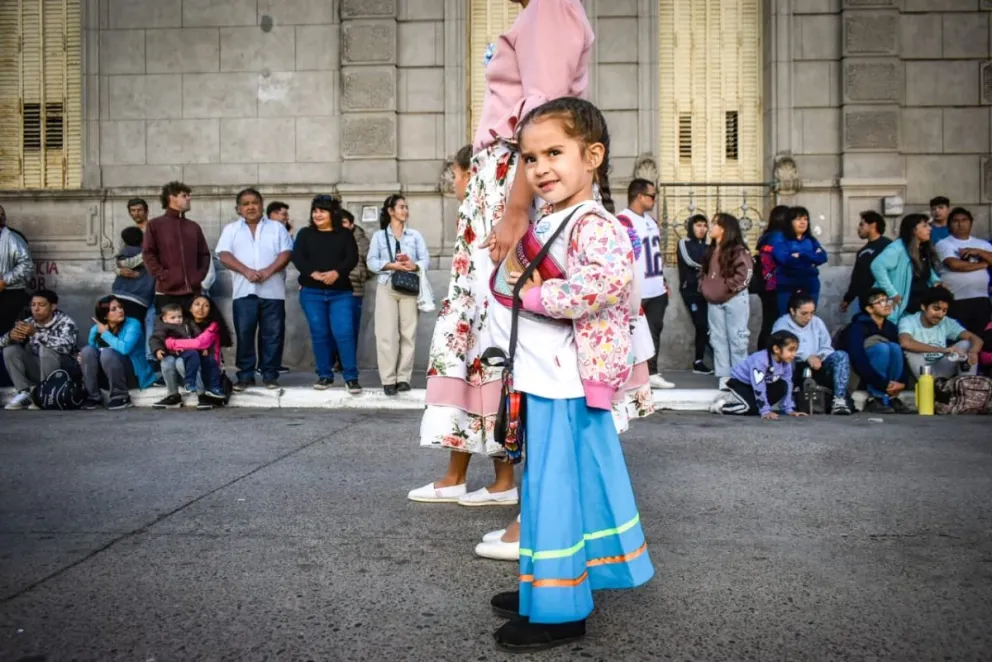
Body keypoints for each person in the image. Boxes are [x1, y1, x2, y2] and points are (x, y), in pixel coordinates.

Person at [417, 0, 594, 524]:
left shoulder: (550, 7)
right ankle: (520, 501)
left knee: (518, 330)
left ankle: (535, 515)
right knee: (490, 327)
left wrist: (517, 208)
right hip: (499, 182)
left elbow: (547, 120)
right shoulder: (540, 11)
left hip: (514, 185)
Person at [486, 97, 652, 652]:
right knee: (543, 486)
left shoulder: (593, 222)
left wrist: (533, 294)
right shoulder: (555, 217)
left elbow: (607, 279)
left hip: (567, 379)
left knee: (556, 488)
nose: (540, 169)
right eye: (531, 159)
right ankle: (545, 585)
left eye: (554, 152)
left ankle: (561, 608)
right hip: (547, 375)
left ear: (594, 156)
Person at [216, 188, 293, 392]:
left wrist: (268, 271)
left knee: (273, 334)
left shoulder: (277, 228)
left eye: (255, 202)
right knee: (245, 333)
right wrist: (247, 271)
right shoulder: (231, 229)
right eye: (246, 203)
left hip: (273, 291)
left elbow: (286, 253)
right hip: (244, 292)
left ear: (261, 204)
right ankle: (245, 375)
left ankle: (269, 375)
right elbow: (223, 255)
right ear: (238, 209)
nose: (251, 207)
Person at [292, 195, 362, 394]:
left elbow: (352, 257)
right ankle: (325, 376)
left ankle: (351, 377)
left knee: (344, 333)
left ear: (333, 214)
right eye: (315, 210)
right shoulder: (305, 234)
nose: (318, 214)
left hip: (340, 292)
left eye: (322, 210)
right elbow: (297, 256)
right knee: (320, 334)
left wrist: (336, 273)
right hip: (312, 292)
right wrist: (312, 273)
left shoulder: (344, 235)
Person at [367, 194, 429, 396]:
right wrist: (390, 265)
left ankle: (403, 378)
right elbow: (371, 261)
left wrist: (413, 265)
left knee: (408, 333)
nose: (405, 211)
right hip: (387, 285)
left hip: (409, 286)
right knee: (386, 334)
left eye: (406, 207)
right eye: (401, 207)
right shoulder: (379, 236)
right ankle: (388, 379)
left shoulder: (415, 235)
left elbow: (425, 259)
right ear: (391, 211)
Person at [618, 179, 674, 388]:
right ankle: (630, 375)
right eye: (651, 195)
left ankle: (652, 373)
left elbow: (656, 255)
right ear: (639, 196)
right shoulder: (623, 221)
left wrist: (663, 280)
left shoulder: (651, 221)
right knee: (632, 333)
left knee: (654, 331)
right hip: (636, 289)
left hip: (656, 287)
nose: (654, 199)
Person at [772, 293, 852, 415]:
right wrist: (806, 357)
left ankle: (839, 400)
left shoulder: (817, 322)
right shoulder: (782, 324)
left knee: (841, 356)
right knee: (786, 361)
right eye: (804, 313)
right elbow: (781, 349)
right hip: (795, 364)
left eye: (812, 313)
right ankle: (787, 400)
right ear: (792, 311)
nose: (809, 318)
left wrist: (818, 357)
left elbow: (826, 346)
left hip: (818, 363)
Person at [1, 289, 79, 410]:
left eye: (41, 305)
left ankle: (44, 394)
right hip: (38, 368)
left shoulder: (66, 323)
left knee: (46, 350)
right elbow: (1, 343)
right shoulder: (28, 322)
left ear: (53, 307)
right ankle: (24, 392)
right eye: (33, 305)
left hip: (62, 372)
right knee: (10, 350)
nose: (36, 309)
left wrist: (36, 333)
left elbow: (66, 347)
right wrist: (10, 336)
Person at [701, 213, 754, 390]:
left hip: (735, 300)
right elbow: (703, 272)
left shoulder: (738, 251)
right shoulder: (710, 251)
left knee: (738, 339)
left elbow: (745, 274)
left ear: (725, 229)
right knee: (718, 339)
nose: (711, 227)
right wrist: (706, 287)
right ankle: (724, 376)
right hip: (714, 301)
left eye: (715, 224)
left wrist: (727, 287)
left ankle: (740, 377)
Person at [142, 181, 212, 314]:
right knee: (168, 331)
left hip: (193, 292)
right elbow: (148, 254)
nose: (189, 198)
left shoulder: (193, 226)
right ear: (171, 198)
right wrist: (164, 275)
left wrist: (198, 276)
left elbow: (204, 255)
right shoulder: (155, 225)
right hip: (167, 292)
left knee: (192, 332)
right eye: (184, 195)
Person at [79, 295, 156, 410]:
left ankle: (121, 396)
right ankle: (93, 397)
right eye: (113, 309)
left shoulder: (133, 324)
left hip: (131, 375)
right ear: (104, 316)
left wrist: (105, 334)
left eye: (120, 307)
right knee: (87, 351)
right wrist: (83, 358)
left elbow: (125, 348)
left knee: (108, 353)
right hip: (106, 377)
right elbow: (91, 354)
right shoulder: (96, 329)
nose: (120, 311)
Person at [840, 288, 908, 414]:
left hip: (884, 380)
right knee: (882, 348)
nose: (887, 304)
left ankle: (892, 396)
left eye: (887, 300)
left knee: (895, 348)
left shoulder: (890, 327)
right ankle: (875, 398)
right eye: (880, 302)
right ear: (869, 309)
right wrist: (881, 383)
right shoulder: (858, 327)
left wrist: (902, 382)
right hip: (861, 375)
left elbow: (902, 356)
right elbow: (858, 358)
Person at [160, 295, 233, 410]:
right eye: (197, 304)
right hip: (187, 373)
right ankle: (173, 395)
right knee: (167, 361)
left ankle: (202, 395)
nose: (201, 308)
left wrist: (171, 343)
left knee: (181, 361)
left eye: (206, 306)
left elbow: (199, 343)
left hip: (208, 371)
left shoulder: (213, 326)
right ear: (190, 308)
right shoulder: (181, 323)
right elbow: (161, 336)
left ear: (210, 310)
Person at [898, 287, 982, 380]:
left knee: (967, 344)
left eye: (944, 310)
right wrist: (941, 350)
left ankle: (966, 387)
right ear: (923, 307)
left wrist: (973, 352)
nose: (940, 314)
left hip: (941, 367)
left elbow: (976, 339)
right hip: (920, 369)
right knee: (911, 349)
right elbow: (905, 343)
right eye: (936, 308)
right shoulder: (908, 320)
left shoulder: (946, 322)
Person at [719, 330, 805, 419]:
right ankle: (721, 407)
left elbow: (788, 383)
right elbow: (759, 385)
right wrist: (765, 411)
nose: (794, 354)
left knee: (783, 385)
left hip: (760, 384)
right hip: (740, 383)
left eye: (795, 350)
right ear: (776, 349)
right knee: (750, 408)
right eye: (791, 350)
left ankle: (760, 407)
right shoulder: (761, 360)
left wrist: (789, 409)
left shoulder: (786, 362)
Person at [871, 213, 941, 323]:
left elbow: (925, 269)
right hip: (900, 309)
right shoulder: (897, 248)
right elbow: (877, 266)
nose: (930, 228)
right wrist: (892, 293)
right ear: (913, 230)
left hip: (918, 308)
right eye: (924, 226)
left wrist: (935, 280)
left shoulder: (922, 248)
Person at [934, 207, 992, 336]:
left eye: (964, 220)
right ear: (949, 224)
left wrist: (978, 252)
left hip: (981, 299)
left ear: (970, 223)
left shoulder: (982, 244)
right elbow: (954, 264)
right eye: (956, 221)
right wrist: (982, 264)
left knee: (982, 338)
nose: (960, 224)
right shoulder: (943, 244)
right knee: (959, 338)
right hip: (956, 300)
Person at [771, 206, 827, 315]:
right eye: (798, 219)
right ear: (789, 222)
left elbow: (823, 257)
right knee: (785, 318)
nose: (803, 222)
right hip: (787, 284)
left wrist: (802, 254)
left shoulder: (811, 240)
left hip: (810, 284)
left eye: (805, 219)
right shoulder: (780, 239)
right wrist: (811, 259)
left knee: (808, 317)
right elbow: (785, 260)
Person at [676, 214, 712, 373]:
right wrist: (707, 267)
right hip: (690, 290)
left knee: (706, 327)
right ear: (691, 227)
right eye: (698, 225)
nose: (702, 229)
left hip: (708, 291)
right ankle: (699, 361)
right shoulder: (684, 243)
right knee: (701, 323)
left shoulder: (709, 246)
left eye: (704, 225)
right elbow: (688, 261)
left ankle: (699, 361)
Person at [336, 209, 371, 368]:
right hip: (334, 287)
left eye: (344, 223)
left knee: (350, 327)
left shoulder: (361, 240)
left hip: (354, 288)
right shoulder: (332, 237)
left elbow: (370, 263)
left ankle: (345, 362)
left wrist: (361, 274)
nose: (341, 226)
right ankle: (334, 359)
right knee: (334, 327)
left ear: (351, 224)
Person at [0, 204, 33, 371]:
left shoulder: (12, 238)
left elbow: (27, 266)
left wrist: (4, 281)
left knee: (7, 338)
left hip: (9, 297)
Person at [841, 210, 892, 315]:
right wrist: (848, 299)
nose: (858, 228)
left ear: (872, 225)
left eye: (861, 224)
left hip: (885, 302)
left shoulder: (889, 247)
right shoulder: (862, 252)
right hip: (864, 303)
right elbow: (857, 277)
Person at [754, 205, 790, 349]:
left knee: (769, 322)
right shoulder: (779, 237)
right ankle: (768, 357)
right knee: (776, 323)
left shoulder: (766, 236)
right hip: (775, 284)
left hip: (766, 284)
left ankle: (763, 355)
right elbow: (784, 259)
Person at [111, 226, 156, 328]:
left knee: (119, 328)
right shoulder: (149, 253)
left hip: (120, 293)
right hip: (139, 297)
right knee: (135, 328)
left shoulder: (126, 251)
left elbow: (119, 262)